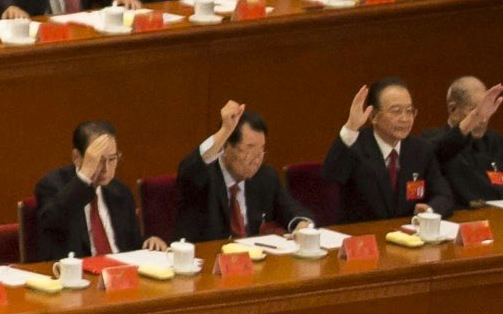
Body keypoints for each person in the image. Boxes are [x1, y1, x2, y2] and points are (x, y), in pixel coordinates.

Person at [182, 99, 316, 230]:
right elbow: (187, 169)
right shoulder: (203, 177)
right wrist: (224, 131)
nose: (257, 159)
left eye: (261, 150)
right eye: (249, 149)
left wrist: (301, 224)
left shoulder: (265, 177)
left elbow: (292, 210)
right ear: (226, 146)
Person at [327, 79, 440, 221]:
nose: (405, 119)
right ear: (373, 116)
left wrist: (429, 210)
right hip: (363, 237)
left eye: (409, 111)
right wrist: (350, 128)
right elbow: (330, 177)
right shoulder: (355, 147)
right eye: (396, 111)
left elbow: (443, 194)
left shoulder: (421, 149)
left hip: (408, 236)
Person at [30, 120, 145, 259]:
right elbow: (51, 222)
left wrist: (148, 241)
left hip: (119, 274)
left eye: (112, 159)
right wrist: (84, 178)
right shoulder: (52, 185)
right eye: (99, 160)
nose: (106, 169)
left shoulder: (121, 191)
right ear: (77, 157)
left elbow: (131, 244)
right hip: (77, 274)